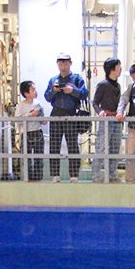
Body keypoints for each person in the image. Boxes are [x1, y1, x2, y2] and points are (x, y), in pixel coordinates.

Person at [44, 52, 89, 183]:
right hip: (56, 113)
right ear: (57, 64)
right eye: (60, 62)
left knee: (73, 145)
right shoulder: (53, 80)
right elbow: (47, 96)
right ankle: (55, 175)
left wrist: (72, 91)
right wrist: (54, 91)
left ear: (70, 63)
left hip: (71, 113)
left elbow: (84, 94)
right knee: (54, 145)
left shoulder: (77, 78)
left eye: (65, 62)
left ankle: (74, 175)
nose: (63, 65)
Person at [92, 57, 123, 183]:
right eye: (118, 67)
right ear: (112, 69)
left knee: (115, 148)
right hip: (106, 121)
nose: (120, 69)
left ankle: (112, 174)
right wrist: (100, 112)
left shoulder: (119, 85)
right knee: (101, 148)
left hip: (117, 119)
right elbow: (95, 103)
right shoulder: (102, 85)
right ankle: (96, 175)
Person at [17, 80, 47, 181]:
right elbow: (16, 119)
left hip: (37, 131)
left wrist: (41, 117)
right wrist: (29, 115)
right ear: (26, 93)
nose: (35, 91)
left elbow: (43, 119)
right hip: (26, 133)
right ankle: (28, 178)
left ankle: (38, 178)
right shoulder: (21, 105)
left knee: (39, 157)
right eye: (33, 89)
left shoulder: (38, 103)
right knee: (27, 158)